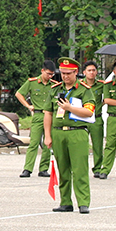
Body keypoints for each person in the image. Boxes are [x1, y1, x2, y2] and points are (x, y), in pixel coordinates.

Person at [44, 57, 95, 214]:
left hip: (77, 132)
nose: (65, 76)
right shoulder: (55, 89)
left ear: (76, 72)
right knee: (63, 169)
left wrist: (70, 108)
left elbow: (89, 111)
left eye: (68, 73)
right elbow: (48, 113)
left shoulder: (84, 90)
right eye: (63, 73)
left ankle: (83, 202)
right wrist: (47, 135)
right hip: (59, 133)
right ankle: (65, 201)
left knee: (79, 169)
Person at [16, 61, 57, 178]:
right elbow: (19, 94)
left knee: (48, 143)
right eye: (48, 74)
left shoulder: (54, 85)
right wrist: (28, 106)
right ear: (42, 71)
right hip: (38, 115)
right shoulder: (32, 82)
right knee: (33, 143)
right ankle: (27, 169)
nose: (50, 76)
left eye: (52, 75)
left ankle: (43, 169)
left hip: (49, 115)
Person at [80, 61, 105, 178]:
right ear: (84, 72)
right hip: (82, 118)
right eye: (89, 70)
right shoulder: (79, 85)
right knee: (81, 144)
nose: (91, 73)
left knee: (98, 145)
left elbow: (107, 98)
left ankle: (98, 168)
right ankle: (80, 167)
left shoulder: (101, 85)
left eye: (93, 70)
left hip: (96, 118)